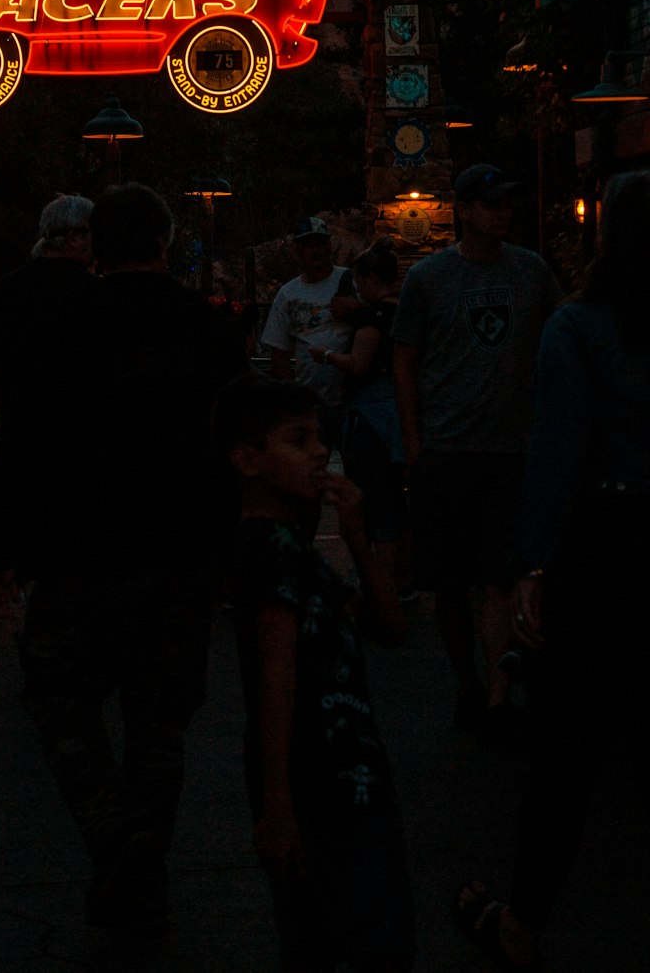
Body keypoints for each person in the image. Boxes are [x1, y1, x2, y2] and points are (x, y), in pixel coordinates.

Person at [0, 184, 243, 931]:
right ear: (164, 242)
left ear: (95, 246)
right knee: (159, 720)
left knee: (58, 695)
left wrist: (1, 548)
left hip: (78, 547)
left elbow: (25, 442)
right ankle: (143, 863)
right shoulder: (205, 327)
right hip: (179, 550)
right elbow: (233, 444)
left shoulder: (60, 323)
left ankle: (113, 830)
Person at [454, 168, 650, 969]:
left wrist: (530, 562)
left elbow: (558, 450)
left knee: (567, 752)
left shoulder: (580, 328)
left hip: (605, 545)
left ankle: (522, 922)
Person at [217, 374, 415, 973]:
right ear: (248, 460)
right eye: (298, 440)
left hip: (350, 773)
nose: (319, 452)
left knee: (350, 927)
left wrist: (356, 535)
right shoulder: (268, 549)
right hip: (316, 779)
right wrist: (277, 802)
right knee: (344, 932)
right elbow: (275, 678)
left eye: (318, 438)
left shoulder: (296, 552)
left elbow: (388, 629)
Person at [392, 164, 562, 744]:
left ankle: (495, 690)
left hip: (510, 450)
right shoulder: (430, 279)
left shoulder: (531, 272)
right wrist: (415, 444)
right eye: (490, 204)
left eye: (507, 203)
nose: (502, 212)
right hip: (448, 448)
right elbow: (406, 360)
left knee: (497, 575)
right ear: (463, 209)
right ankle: (468, 679)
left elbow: (554, 343)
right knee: (448, 581)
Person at [0, 193, 95, 578]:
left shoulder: (8, 289)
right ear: (76, 237)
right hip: (82, 440)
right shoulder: (94, 294)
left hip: (22, 434)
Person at [312, 238, 409, 600]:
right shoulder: (405, 310)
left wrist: (326, 356)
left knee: (376, 497)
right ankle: (400, 574)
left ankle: (379, 579)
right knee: (396, 499)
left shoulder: (375, 317)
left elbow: (359, 363)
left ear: (369, 279)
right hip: (397, 414)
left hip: (372, 416)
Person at [261, 216, 355, 450]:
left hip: (352, 397)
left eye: (320, 243)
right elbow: (279, 353)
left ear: (329, 246)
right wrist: (291, 401)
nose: (316, 251)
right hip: (312, 402)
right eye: (308, 245)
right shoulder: (288, 294)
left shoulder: (351, 282)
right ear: (298, 250)